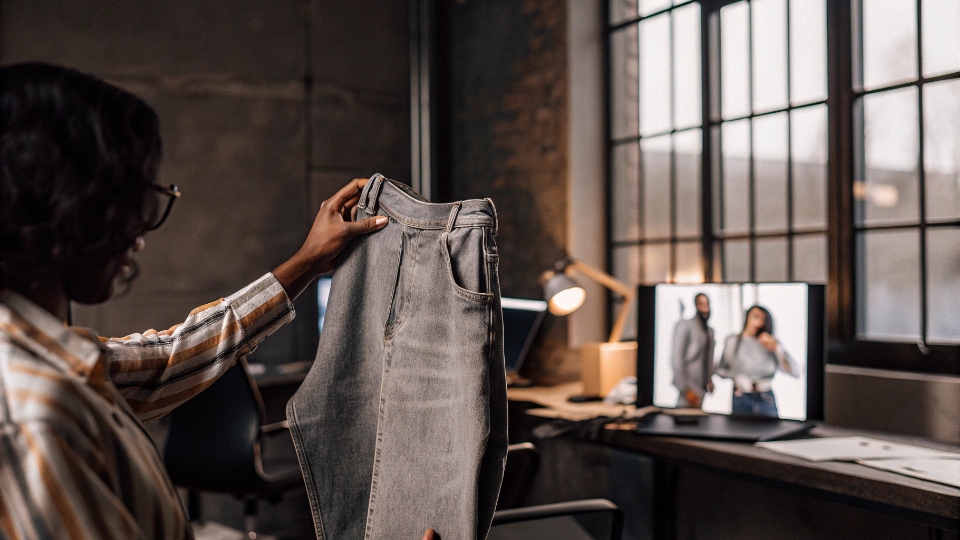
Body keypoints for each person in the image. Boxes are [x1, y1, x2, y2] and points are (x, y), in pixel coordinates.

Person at [0, 63, 436, 540]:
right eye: (128, 200)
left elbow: (169, 360)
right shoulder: (33, 417)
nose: (138, 236)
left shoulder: (53, 365)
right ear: (68, 208)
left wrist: (309, 261)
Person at [714, 305, 801, 417]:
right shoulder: (733, 341)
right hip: (741, 397)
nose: (759, 322)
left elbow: (796, 372)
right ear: (747, 317)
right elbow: (721, 370)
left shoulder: (771, 343)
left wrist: (777, 348)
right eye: (755, 316)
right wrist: (738, 378)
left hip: (766, 398)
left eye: (763, 319)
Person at [670, 293, 715, 408]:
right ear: (696, 306)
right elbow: (676, 358)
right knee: (684, 414)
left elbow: (708, 358)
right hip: (688, 386)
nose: (705, 308)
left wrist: (709, 379)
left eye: (707, 304)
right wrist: (685, 388)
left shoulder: (709, 331)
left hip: (701, 387)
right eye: (701, 304)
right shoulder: (685, 326)